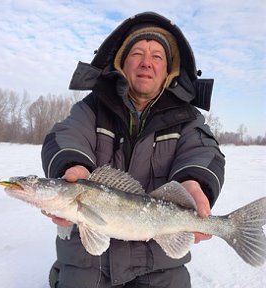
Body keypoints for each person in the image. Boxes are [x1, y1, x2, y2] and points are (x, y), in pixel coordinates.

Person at [41, 11, 225, 288]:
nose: (146, 63)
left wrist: (194, 181)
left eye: (157, 56)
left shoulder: (189, 119)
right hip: (88, 259)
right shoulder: (91, 107)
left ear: (168, 70)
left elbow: (203, 150)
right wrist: (71, 166)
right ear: (122, 64)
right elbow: (66, 135)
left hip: (159, 260)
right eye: (137, 53)